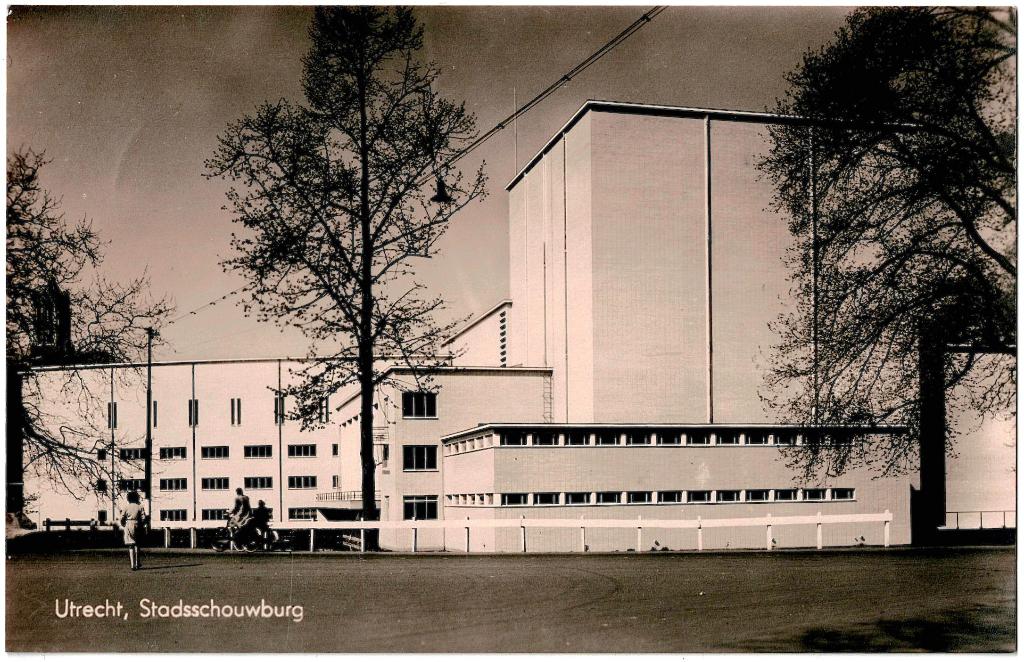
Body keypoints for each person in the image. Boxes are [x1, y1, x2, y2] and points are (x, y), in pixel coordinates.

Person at [119, 490, 146, 571]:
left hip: (128, 524)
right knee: (137, 544)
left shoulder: (126, 507)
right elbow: (143, 517)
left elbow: (122, 518)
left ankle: (132, 565)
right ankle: (138, 563)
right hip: (137, 524)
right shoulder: (140, 506)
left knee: (130, 545)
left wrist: (123, 524)